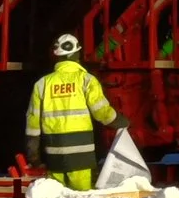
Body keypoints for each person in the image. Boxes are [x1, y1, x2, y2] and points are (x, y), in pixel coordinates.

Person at [25, 33, 118, 190]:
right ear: (76, 54)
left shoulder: (42, 84)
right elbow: (102, 113)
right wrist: (119, 121)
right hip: (81, 157)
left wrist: (33, 153)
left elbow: (32, 121)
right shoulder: (86, 80)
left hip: (54, 156)